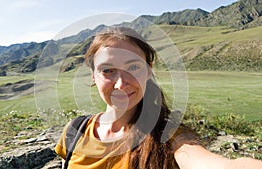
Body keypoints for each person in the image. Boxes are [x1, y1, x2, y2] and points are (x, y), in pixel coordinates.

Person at [55, 27, 262, 169]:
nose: (120, 84)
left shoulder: (170, 137)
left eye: (133, 67)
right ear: (93, 75)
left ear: (148, 71)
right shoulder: (75, 131)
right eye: (108, 70)